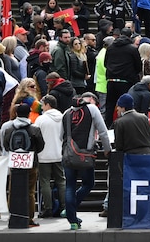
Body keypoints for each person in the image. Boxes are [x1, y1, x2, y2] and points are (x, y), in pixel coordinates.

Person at [62, 92, 110, 230]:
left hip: (68, 155)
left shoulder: (66, 113)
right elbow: (103, 131)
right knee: (88, 184)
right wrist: (107, 149)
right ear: (90, 100)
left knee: (70, 185)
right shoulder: (92, 109)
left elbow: (62, 135)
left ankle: (72, 220)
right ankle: (71, 210)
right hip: (85, 156)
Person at [0, 102, 46, 228]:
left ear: (16, 113)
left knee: (13, 189)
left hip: (14, 161)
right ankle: (29, 218)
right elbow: (41, 146)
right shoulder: (34, 129)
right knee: (30, 191)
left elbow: (6, 145)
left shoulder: (10, 129)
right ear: (29, 113)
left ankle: (13, 214)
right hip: (30, 162)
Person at [34, 94, 66, 219]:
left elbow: (35, 136)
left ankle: (48, 208)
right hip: (59, 154)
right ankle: (64, 207)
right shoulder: (63, 117)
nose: (42, 107)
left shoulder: (41, 120)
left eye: (43, 104)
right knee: (61, 181)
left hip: (43, 155)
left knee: (45, 182)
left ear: (48, 105)